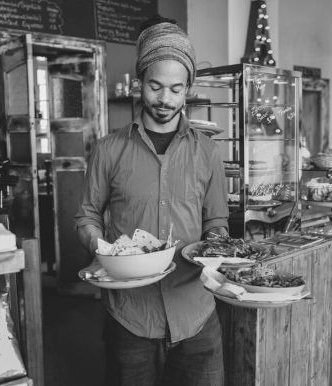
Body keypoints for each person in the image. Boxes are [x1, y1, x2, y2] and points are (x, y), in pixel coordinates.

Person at [75, 16, 229, 386]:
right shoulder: (109, 149)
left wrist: (217, 251)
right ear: (140, 81)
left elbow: (216, 223)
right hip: (131, 316)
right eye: (155, 86)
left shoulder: (208, 152)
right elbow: (87, 216)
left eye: (176, 89)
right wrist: (107, 252)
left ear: (188, 88)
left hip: (196, 314)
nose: (164, 99)